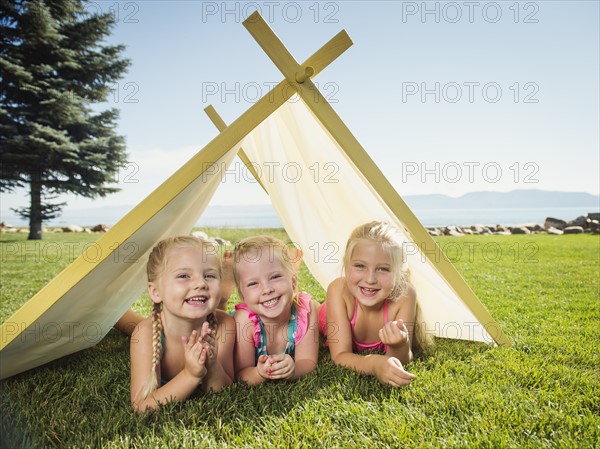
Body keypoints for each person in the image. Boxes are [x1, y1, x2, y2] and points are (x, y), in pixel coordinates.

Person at [130, 236, 235, 412]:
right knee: (130, 325)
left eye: (209, 275)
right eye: (183, 276)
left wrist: (213, 364)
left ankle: (222, 296)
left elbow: (221, 390)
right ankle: (116, 317)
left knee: (219, 309)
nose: (200, 283)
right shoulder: (145, 333)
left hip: (214, 315)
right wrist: (190, 375)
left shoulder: (225, 324)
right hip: (156, 326)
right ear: (156, 292)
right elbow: (142, 406)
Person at [319, 221, 428, 387]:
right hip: (324, 314)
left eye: (383, 269)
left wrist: (399, 344)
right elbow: (340, 355)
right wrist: (375, 364)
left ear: (398, 273)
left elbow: (400, 360)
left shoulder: (405, 296)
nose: (370, 279)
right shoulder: (338, 290)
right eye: (360, 266)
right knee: (309, 312)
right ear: (346, 266)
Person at [232, 236, 319, 384]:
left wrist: (293, 371)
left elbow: (308, 361)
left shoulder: (305, 311)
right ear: (242, 296)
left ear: (293, 282)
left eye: (275, 277)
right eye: (253, 283)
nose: (266, 289)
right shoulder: (244, 321)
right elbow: (240, 373)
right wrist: (259, 373)